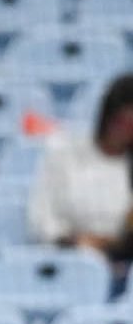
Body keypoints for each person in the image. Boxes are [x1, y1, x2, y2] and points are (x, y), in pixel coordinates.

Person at [27, 72, 133, 275]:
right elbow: (41, 218)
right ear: (107, 116)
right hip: (65, 259)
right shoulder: (63, 153)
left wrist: (113, 247)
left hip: (122, 266)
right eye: (121, 122)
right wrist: (76, 243)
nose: (125, 132)